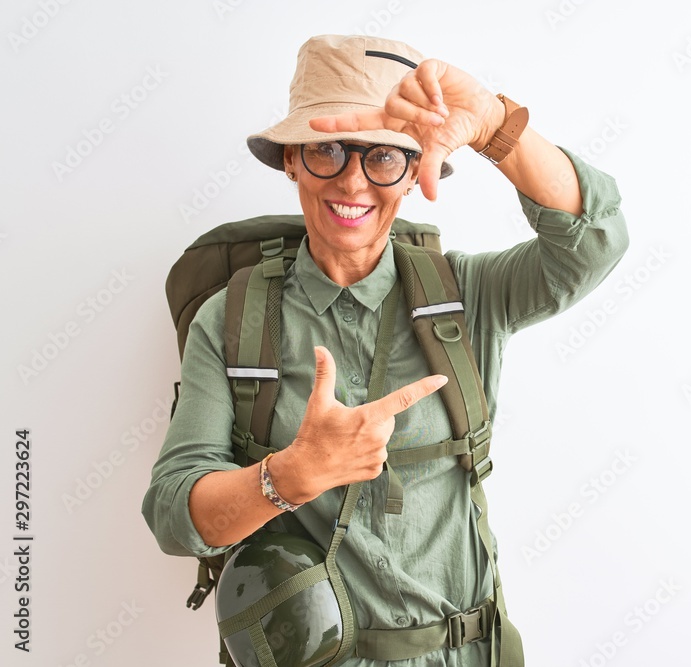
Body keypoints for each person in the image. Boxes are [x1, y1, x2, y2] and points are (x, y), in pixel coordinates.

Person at [142, 34, 628, 666]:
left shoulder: (468, 297)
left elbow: (595, 241)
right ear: (291, 159)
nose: (353, 181)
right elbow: (175, 514)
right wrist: (289, 476)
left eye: (384, 158)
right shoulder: (232, 321)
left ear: (412, 171)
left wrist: (494, 126)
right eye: (327, 150)